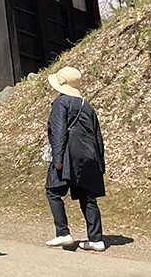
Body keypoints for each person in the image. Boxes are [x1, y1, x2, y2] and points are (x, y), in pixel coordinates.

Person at [44, 66, 107, 252]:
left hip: (68, 155)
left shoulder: (61, 103)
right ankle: (96, 239)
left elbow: (58, 131)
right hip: (90, 155)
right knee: (88, 196)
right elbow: (98, 136)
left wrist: (57, 156)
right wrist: (100, 163)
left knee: (53, 191)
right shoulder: (87, 105)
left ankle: (62, 232)